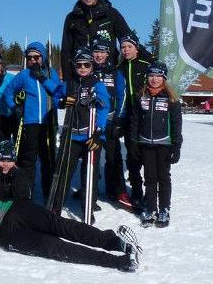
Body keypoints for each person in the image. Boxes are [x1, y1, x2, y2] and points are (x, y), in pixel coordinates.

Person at [0, 147, 142, 272]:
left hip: (12, 211)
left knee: (60, 225)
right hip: (1, 235)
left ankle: (113, 242)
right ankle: (117, 262)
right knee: (53, 247)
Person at [3, 42, 65, 201]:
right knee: (28, 160)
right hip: (29, 123)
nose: (33, 60)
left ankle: (49, 194)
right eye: (29, 57)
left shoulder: (51, 74)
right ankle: (26, 194)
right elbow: (8, 92)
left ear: (43, 57)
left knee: (48, 159)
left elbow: (58, 92)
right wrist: (14, 106)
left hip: (48, 122)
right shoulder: (24, 75)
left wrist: (42, 77)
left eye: (36, 57)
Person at [128, 62, 182, 228]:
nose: (154, 79)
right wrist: (134, 144)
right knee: (150, 178)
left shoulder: (171, 98)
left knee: (163, 178)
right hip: (145, 143)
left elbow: (176, 123)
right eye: (151, 76)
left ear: (164, 78)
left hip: (164, 144)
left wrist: (176, 146)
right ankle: (151, 208)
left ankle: (164, 209)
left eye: (158, 76)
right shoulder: (139, 96)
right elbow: (134, 121)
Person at [61, 48, 110, 224]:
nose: (82, 68)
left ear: (92, 66)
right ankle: (57, 204)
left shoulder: (97, 85)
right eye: (79, 65)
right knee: (65, 172)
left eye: (86, 65)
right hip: (73, 137)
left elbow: (104, 110)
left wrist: (99, 132)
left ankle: (88, 205)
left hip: (91, 136)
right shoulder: (70, 83)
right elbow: (59, 94)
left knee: (89, 173)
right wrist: (61, 101)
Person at [86, 39, 132, 210]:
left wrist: (119, 119)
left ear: (108, 54)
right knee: (92, 157)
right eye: (96, 52)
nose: (99, 55)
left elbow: (123, 96)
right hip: (91, 121)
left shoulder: (115, 72)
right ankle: (90, 192)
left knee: (114, 157)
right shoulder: (87, 70)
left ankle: (117, 190)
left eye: (102, 52)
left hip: (111, 121)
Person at [60, 0, 131, 84]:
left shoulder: (111, 14)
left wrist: (144, 57)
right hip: (81, 73)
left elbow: (128, 38)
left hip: (108, 72)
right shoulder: (72, 18)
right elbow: (66, 51)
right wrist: (67, 80)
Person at [116, 34, 153, 211]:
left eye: (129, 47)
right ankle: (136, 193)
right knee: (132, 157)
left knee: (147, 157)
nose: (125, 50)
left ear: (136, 48)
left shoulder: (146, 66)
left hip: (145, 118)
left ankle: (150, 193)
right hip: (127, 118)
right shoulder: (119, 68)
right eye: (123, 47)